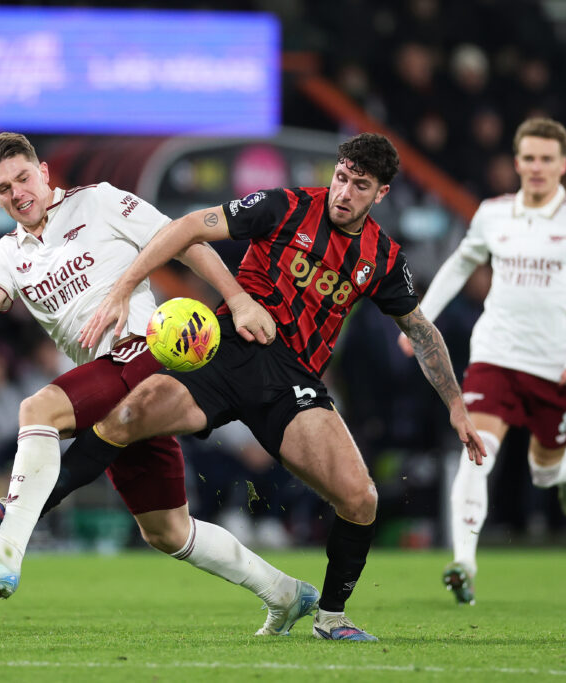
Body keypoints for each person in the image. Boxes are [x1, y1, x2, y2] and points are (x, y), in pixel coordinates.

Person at [70, 132, 486, 641]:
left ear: (380, 194)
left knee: (361, 500)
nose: (344, 193)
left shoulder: (381, 256)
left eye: (360, 186)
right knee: (125, 419)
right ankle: (22, 517)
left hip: (293, 384)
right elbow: (184, 228)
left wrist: (457, 407)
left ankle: (331, 618)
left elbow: (422, 333)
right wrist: (125, 287)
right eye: (341, 178)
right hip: (227, 350)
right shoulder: (282, 206)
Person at [0, 132, 319, 637]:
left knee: (39, 409)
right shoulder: (7, 255)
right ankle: (286, 592)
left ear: (43, 174)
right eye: (2, 188)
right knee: (167, 531)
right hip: (112, 387)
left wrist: (236, 299)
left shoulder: (99, 201)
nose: (17, 192)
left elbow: (185, 240)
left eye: (23, 178)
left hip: (147, 352)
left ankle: (6, 551)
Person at [398, 117, 566, 604]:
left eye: (547, 158)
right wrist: (420, 321)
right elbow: (464, 261)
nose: (536, 167)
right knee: (476, 451)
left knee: (543, 472)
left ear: (564, 164)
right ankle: (464, 561)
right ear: (516, 161)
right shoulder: (494, 213)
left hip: (558, 366)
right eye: (528, 157)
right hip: (496, 356)